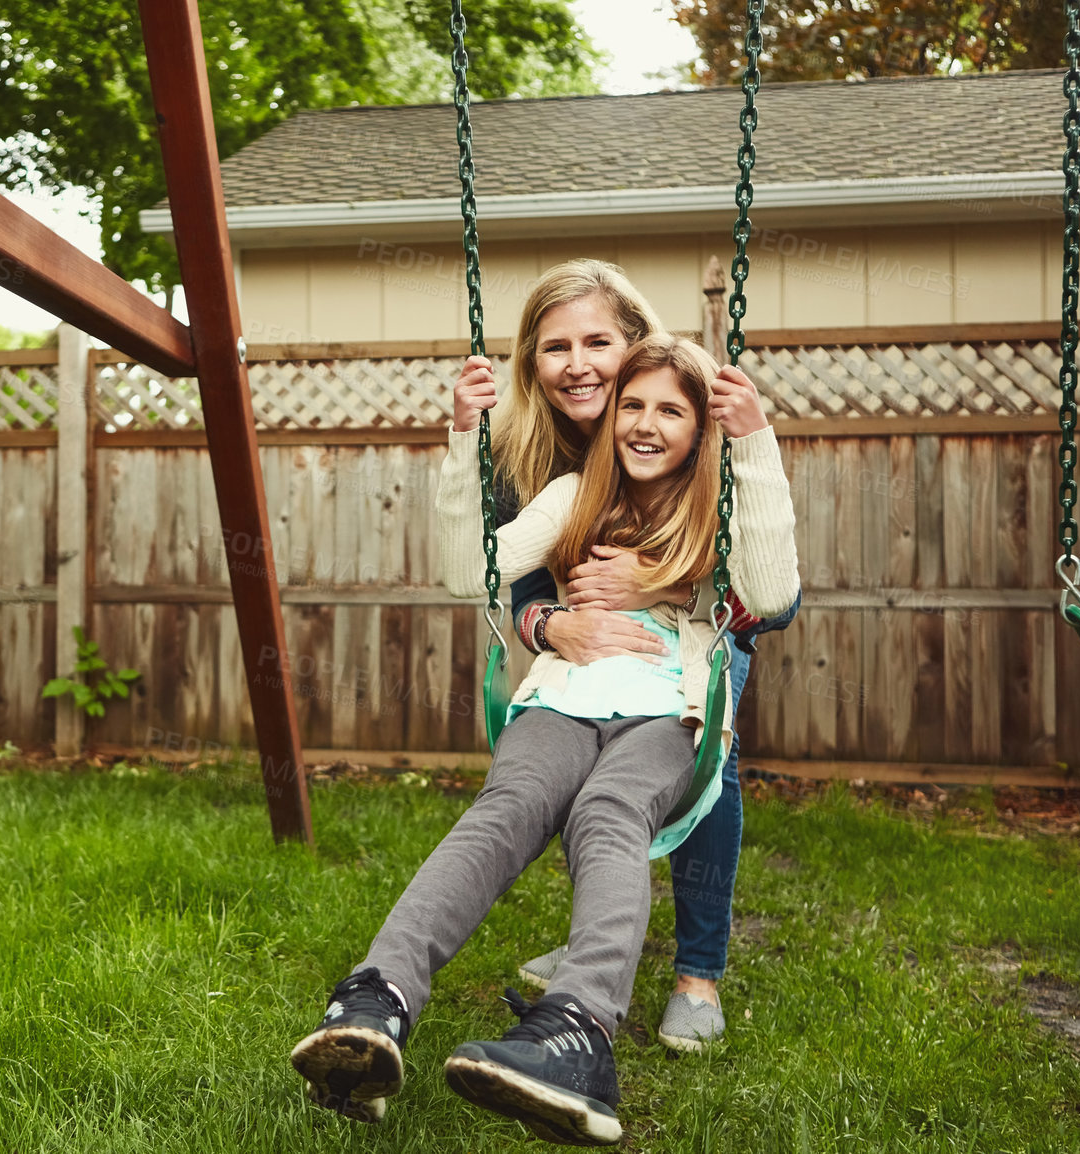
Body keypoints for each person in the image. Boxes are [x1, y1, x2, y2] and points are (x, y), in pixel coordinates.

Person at [289, 333, 800, 1146]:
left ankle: (578, 1033)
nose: (644, 422)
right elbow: (473, 573)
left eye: (671, 409)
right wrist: (464, 442)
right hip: (561, 698)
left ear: (703, 428)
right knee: (506, 808)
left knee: (608, 813)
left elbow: (772, 594)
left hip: (671, 710)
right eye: (632, 405)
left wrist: (755, 441)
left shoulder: (721, 508)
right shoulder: (571, 497)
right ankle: (374, 1002)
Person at [469, 259, 799, 1051]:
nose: (578, 365)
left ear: (636, 345)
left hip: (703, 630)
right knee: (576, 770)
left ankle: (697, 973)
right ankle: (597, 947)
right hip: (590, 637)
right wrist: (553, 628)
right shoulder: (523, 455)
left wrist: (659, 580)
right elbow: (513, 588)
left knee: (705, 765)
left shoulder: (691, 423)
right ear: (531, 363)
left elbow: (771, 598)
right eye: (555, 348)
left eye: (598, 343)